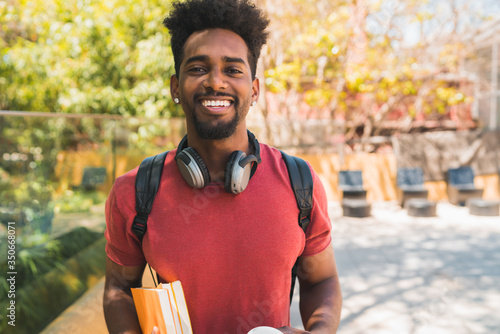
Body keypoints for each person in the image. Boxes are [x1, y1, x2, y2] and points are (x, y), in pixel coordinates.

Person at [102, 0, 342, 333]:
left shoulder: (299, 181)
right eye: (198, 68)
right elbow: (118, 289)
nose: (215, 82)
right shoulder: (135, 190)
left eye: (233, 69)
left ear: (254, 89)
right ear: (175, 87)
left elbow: (322, 279)